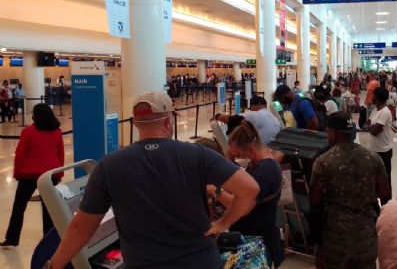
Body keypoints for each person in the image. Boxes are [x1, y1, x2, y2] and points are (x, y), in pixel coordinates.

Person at [46, 91, 260, 269]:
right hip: (200, 261)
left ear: (134, 123)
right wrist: (223, 223)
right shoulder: (197, 155)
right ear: (169, 120)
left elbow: (81, 228)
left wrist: (53, 266)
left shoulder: (109, 165)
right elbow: (249, 189)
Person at [310, 112, 389, 269]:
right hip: (365, 232)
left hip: (336, 234)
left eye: (328, 131)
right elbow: (384, 192)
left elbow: (314, 198)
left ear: (334, 132)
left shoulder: (323, 162)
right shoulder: (373, 157)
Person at [212, 121, 284, 267]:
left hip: (258, 241)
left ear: (250, 148)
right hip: (253, 236)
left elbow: (241, 208)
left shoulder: (265, 171)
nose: (239, 157)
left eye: (239, 154)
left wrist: (215, 190)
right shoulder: (259, 162)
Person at [1, 104, 64, 247]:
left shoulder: (28, 132)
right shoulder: (57, 131)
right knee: (49, 209)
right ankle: (48, 240)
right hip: (50, 174)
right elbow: (60, 153)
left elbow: (20, 155)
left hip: (29, 174)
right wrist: (59, 172)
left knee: (19, 206)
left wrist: (17, 173)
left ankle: (12, 238)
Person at [364, 87, 394, 205]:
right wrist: (370, 127)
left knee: (385, 181)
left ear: (379, 97)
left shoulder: (385, 112)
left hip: (384, 151)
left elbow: (374, 131)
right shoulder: (375, 111)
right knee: (374, 180)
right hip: (373, 151)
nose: (372, 97)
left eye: (373, 95)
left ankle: (387, 207)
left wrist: (370, 128)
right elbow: (366, 125)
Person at [212, 95, 281, 144]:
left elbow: (232, 119)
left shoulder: (256, 115)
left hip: (264, 147)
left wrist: (217, 116)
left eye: (250, 108)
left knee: (227, 139)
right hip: (272, 144)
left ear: (253, 106)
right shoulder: (270, 115)